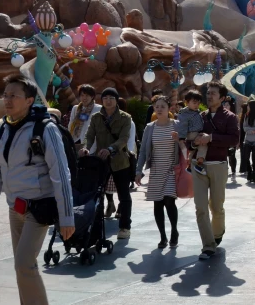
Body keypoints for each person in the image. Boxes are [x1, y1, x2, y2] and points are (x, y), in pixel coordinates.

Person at [0, 75, 74, 305]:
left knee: (24, 264)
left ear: (29, 100)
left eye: (14, 96)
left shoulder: (45, 129)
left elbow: (60, 174)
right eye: (5, 95)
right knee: (23, 268)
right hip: (15, 209)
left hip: (38, 208)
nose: (7, 100)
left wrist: (67, 216)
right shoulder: (4, 129)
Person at [189, 81, 239, 260]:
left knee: (216, 206)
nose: (209, 96)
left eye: (213, 93)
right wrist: (193, 142)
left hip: (218, 165)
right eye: (208, 92)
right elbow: (188, 140)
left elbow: (234, 140)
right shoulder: (198, 116)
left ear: (222, 98)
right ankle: (208, 246)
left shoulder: (230, 117)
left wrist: (211, 138)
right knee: (200, 207)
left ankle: (217, 234)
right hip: (198, 165)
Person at [82, 87, 135, 240]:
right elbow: (89, 135)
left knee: (124, 196)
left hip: (120, 161)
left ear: (116, 100)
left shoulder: (126, 118)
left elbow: (124, 138)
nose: (108, 100)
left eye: (111, 98)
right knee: (97, 194)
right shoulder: (96, 117)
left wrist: (111, 149)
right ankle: (96, 227)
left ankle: (125, 226)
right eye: (105, 98)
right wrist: (85, 147)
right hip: (101, 162)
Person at [136, 95, 181, 249]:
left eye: (163, 106)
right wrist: (138, 171)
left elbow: (185, 146)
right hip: (155, 171)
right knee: (158, 204)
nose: (159, 109)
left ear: (169, 109)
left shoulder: (176, 125)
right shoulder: (150, 127)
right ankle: (163, 236)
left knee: (169, 201)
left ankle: (174, 231)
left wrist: (179, 140)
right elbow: (142, 151)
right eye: (157, 106)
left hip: (171, 170)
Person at [177, 90, 206, 174]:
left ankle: (189, 166)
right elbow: (182, 126)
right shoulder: (185, 113)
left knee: (193, 151)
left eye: (198, 103)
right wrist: (182, 137)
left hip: (195, 132)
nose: (197, 105)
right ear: (187, 102)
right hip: (193, 133)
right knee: (203, 144)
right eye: (194, 103)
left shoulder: (194, 111)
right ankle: (199, 164)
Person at [69, 84, 101, 150]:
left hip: (91, 143)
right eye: (82, 95)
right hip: (75, 141)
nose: (84, 98)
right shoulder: (76, 108)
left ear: (92, 96)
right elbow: (71, 124)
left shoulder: (98, 109)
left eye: (87, 95)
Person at [223, 96, 239, 181]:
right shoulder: (221, 115)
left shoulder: (234, 116)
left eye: (227, 105)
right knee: (224, 155)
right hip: (224, 139)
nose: (225, 106)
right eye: (224, 105)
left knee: (232, 156)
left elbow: (238, 129)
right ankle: (225, 171)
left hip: (232, 139)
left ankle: (233, 172)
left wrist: (238, 141)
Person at [238, 102, 248, 176]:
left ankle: (244, 168)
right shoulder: (244, 116)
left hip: (243, 138)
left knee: (243, 154)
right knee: (244, 154)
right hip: (244, 137)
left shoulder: (243, 116)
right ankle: (244, 168)